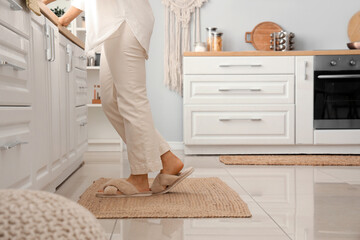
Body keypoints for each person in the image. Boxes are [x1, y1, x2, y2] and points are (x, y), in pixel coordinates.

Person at [42, 0, 193, 197]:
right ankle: (167, 158)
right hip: (115, 26)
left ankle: (139, 177)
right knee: (111, 101)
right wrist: (66, 17)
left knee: (132, 101)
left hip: (124, 23)